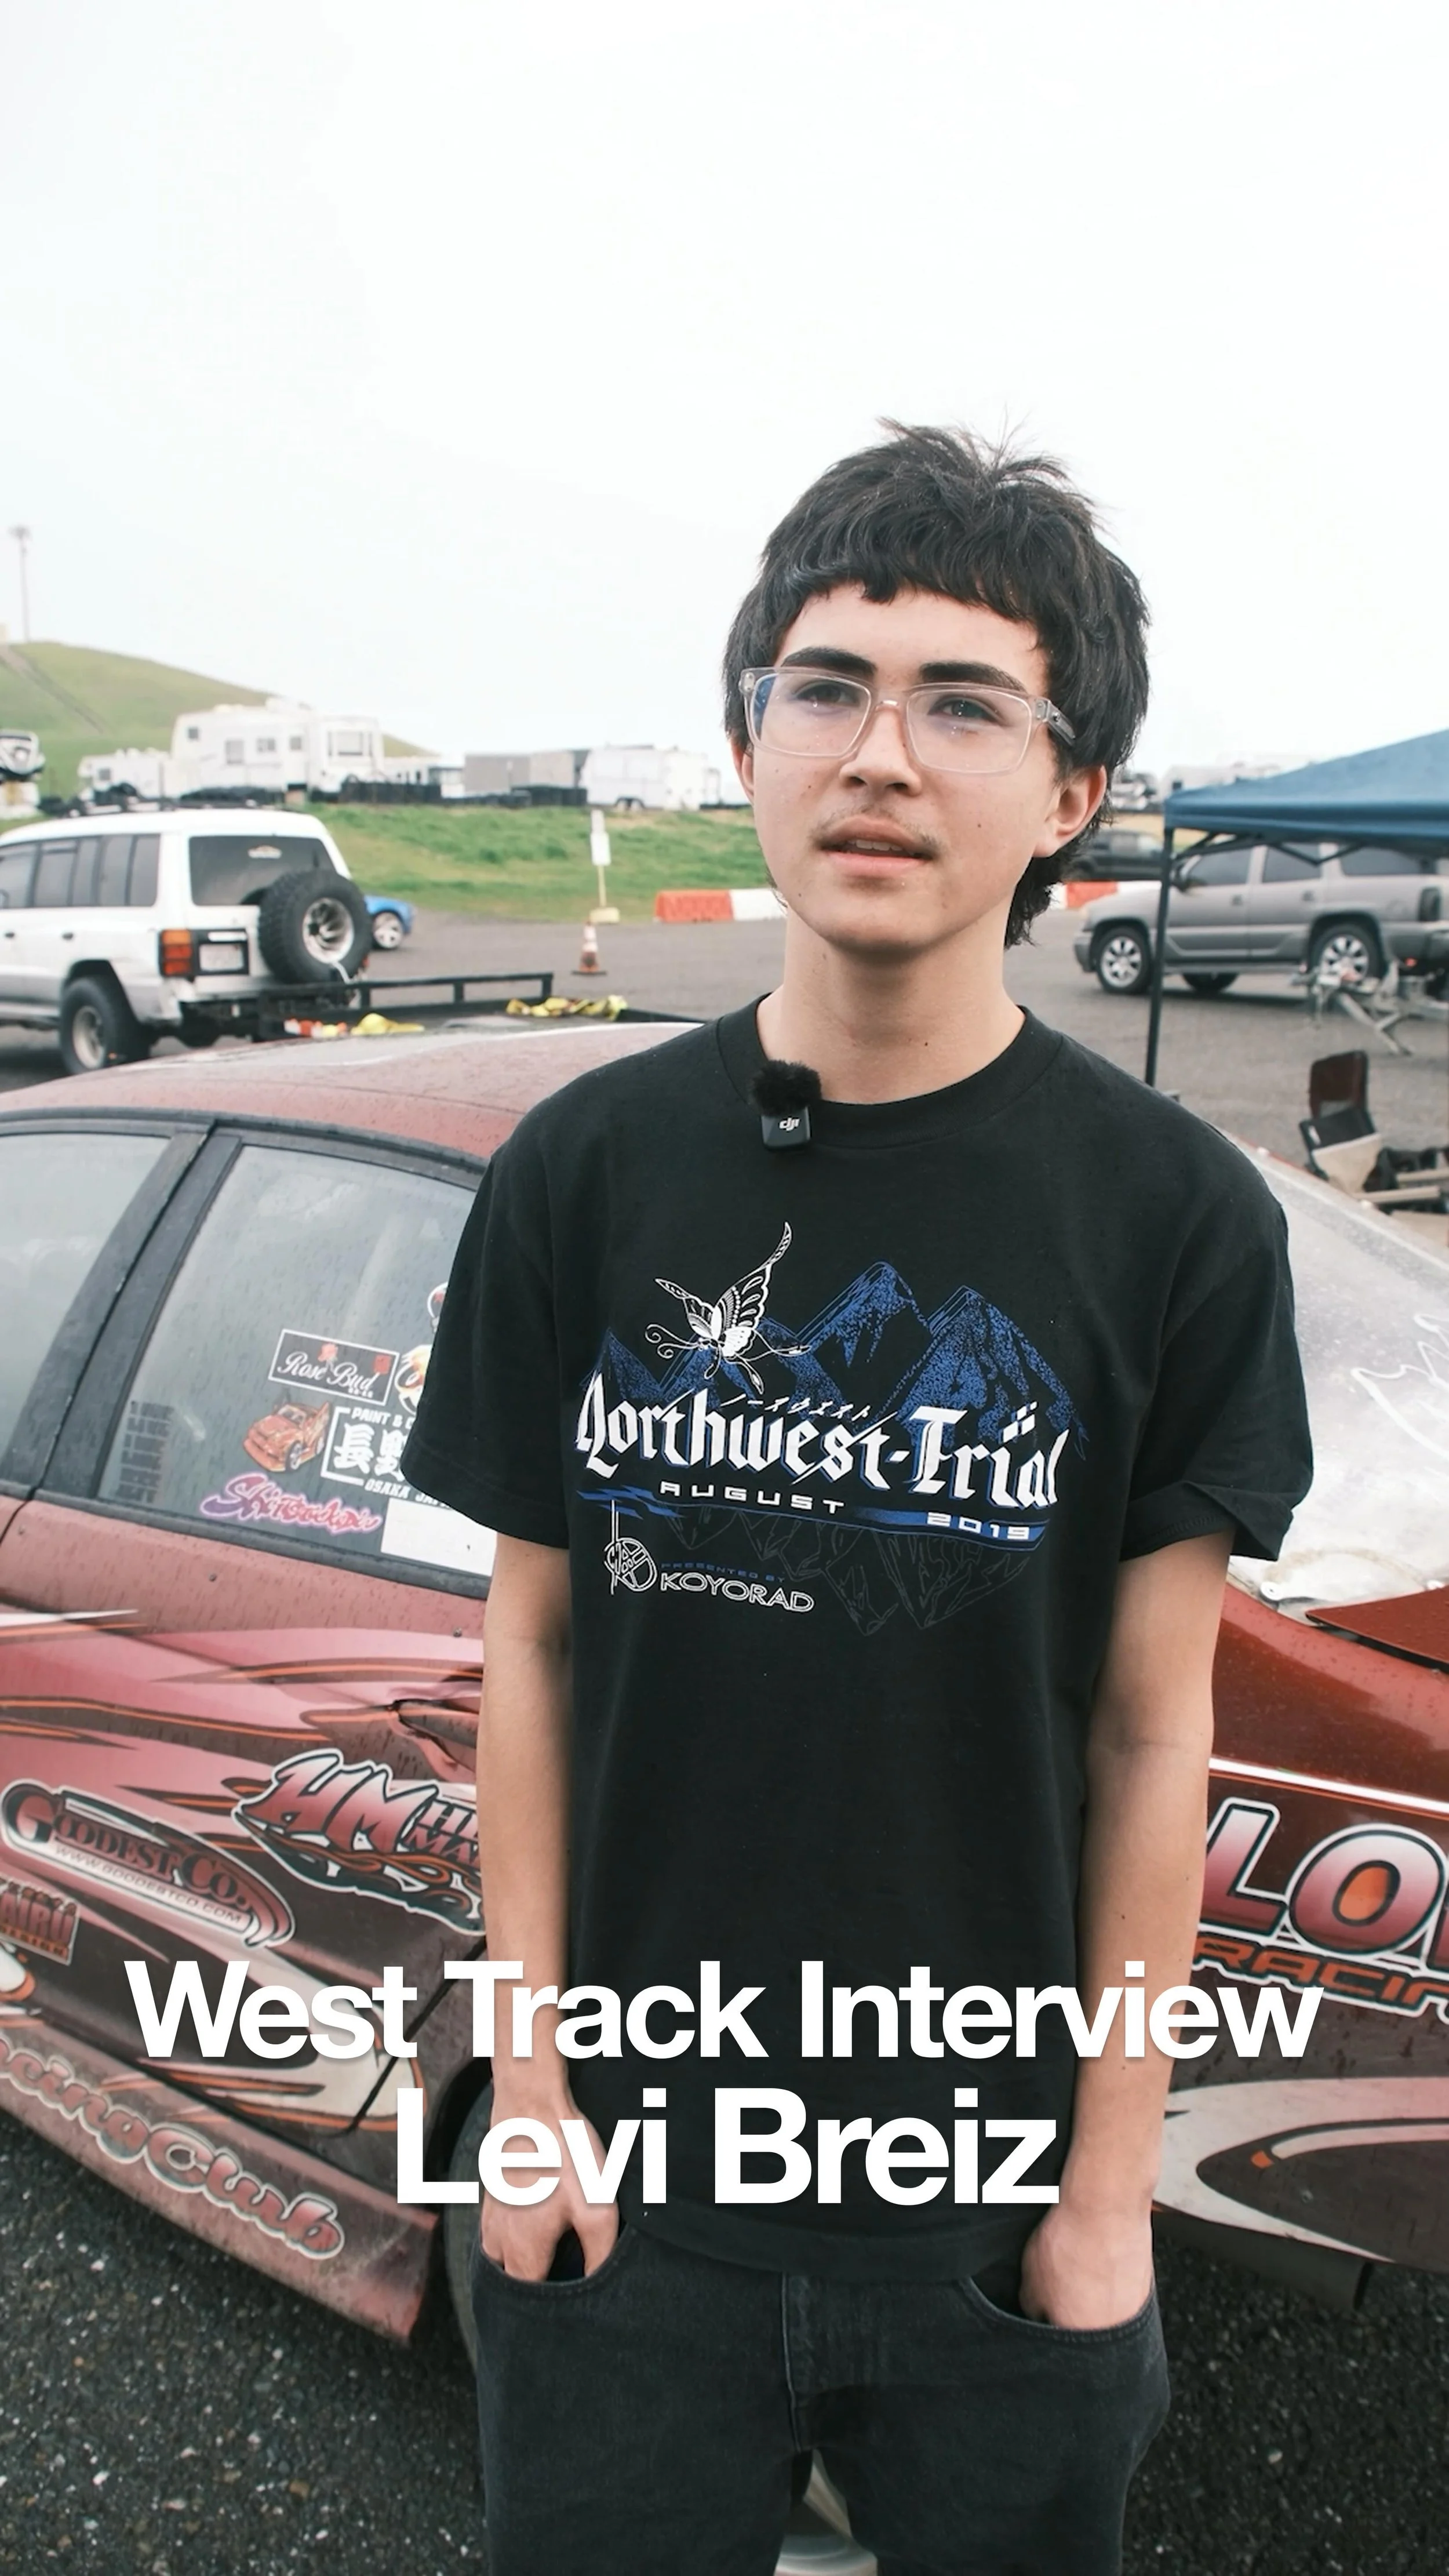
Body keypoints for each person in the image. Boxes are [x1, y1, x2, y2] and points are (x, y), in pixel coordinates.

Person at [402, 424, 1312, 2576]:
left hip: (990, 2231)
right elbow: (528, 1646)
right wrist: (526, 2096)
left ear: (1071, 794)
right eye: (826, 687)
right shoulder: (588, 1172)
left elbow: (1149, 1732)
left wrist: (1104, 2194)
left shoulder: (1172, 1217)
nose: (880, 755)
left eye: (964, 703)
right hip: (630, 2202)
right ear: (748, 741)